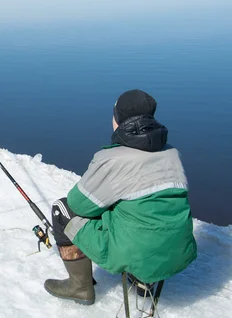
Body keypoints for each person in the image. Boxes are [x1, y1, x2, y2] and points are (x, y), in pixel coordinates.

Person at [44, 89, 197, 305]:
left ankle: (79, 288)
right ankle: (144, 283)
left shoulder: (112, 159)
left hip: (137, 253)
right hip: (179, 251)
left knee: (63, 209)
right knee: (141, 210)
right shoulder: (171, 153)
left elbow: (79, 204)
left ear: (118, 121)